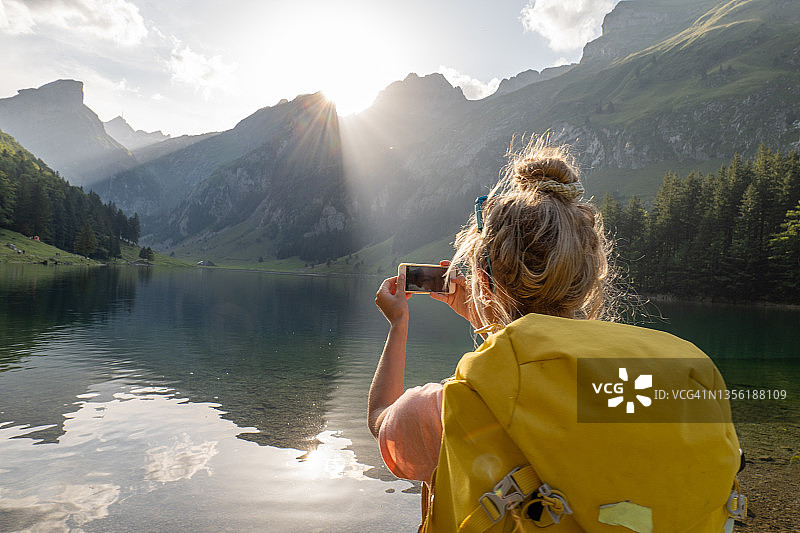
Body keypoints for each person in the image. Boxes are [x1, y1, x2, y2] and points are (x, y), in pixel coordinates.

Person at [367, 137, 741, 532]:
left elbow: (380, 420)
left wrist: (399, 325)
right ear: (586, 277)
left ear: (482, 280)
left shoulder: (459, 403)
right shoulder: (645, 381)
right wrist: (489, 317)